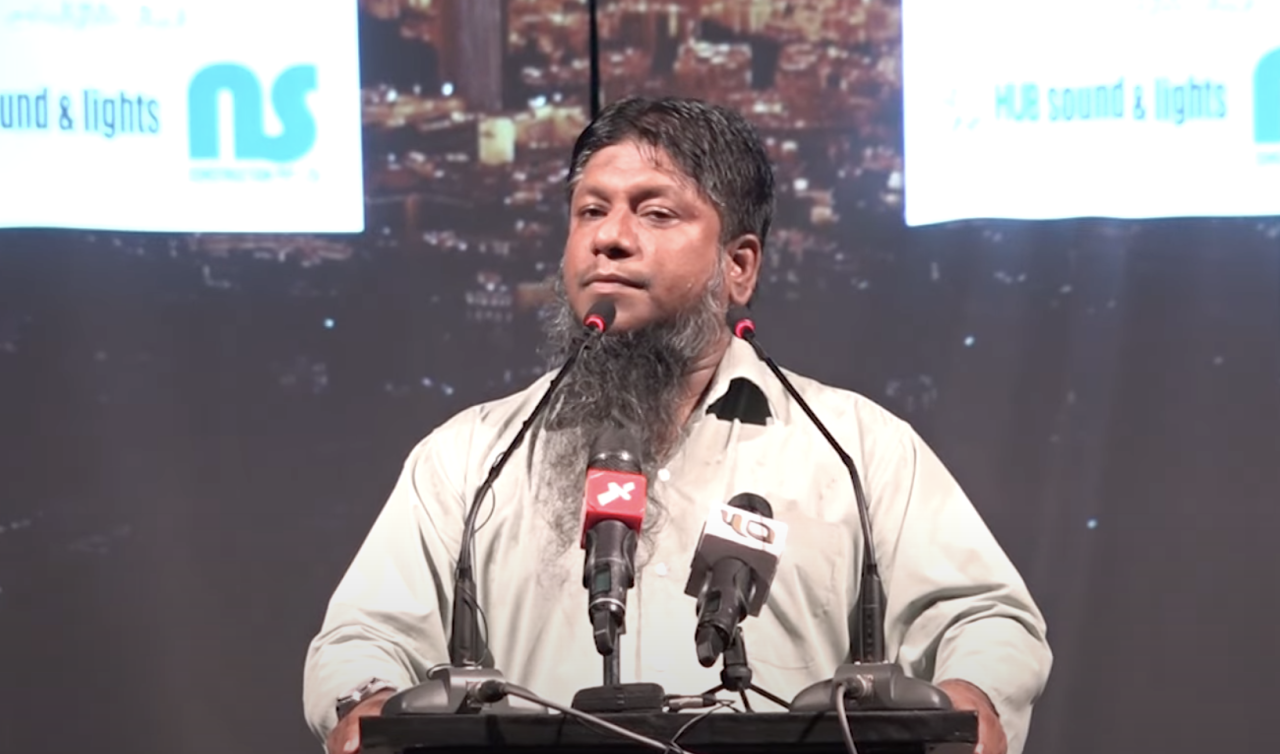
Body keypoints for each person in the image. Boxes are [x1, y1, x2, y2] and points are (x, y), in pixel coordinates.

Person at [303, 97, 1052, 754]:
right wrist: (365, 704)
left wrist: (973, 699)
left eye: (655, 212)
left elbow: (984, 616)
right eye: (590, 210)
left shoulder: (856, 450)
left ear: (739, 266)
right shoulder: (471, 459)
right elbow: (365, 637)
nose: (610, 237)